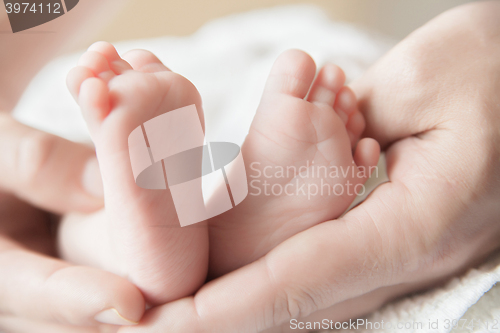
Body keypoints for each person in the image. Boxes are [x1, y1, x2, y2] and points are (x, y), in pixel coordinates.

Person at [0, 1, 499, 332]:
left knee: (73, 225)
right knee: (60, 216)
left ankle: (144, 240)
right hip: (365, 77)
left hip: (435, 72)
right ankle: (209, 218)